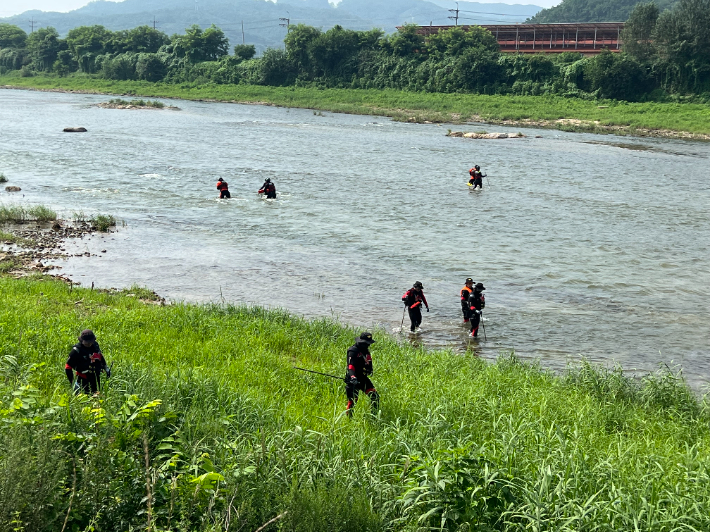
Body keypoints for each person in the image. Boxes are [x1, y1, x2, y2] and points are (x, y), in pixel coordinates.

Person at [345, 332, 379, 417]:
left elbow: (368, 362)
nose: (368, 345)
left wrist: (369, 369)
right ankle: (349, 419)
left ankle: (374, 417)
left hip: (362, 378)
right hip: (353, 379)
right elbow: (351, 366)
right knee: (353, 400)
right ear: (360, 342)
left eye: (369, 343)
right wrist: (353, 377)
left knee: (375, 397)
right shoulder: (353, 351)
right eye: (366, 343)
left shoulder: (365, 350)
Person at [65, 329, 107, 394]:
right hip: (83, 378)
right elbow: (68, 367)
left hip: (95, 377)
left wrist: (105, 367)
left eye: (91, 342)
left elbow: (100, 356)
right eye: (87, 343)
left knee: (97, 396)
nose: (89, 344)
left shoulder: (95, 345)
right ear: (82, 341)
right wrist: (73, 384)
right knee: (86, 398)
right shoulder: (76, 350)